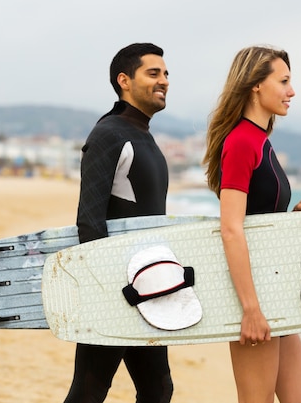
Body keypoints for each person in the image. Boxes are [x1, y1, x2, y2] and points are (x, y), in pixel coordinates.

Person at [202, 45, 301, 403]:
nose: (291, 91)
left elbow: (257, 223)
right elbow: (231, 228)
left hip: (276, 293)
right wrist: (251, 310)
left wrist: (294, 216)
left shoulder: (260, 141)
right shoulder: (240, 142)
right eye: (283, 81)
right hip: (255, 299)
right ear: (255, 85)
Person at [64, 43, 173, 403]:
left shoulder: (143, 135)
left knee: (158, 390)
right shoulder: (109, 134)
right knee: (89, 391)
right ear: (124, 80)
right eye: (153, 73)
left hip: (148, 284)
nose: (164, 81)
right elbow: (90, 219)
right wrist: (106, 292)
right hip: (116, 289)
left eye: (166, 73)